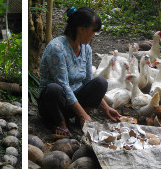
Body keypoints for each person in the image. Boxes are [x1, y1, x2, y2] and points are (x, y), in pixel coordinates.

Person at [37, 7, 121, 138]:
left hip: (73, 101)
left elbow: (88, 81)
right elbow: (64, 86)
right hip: (54, 104)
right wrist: (84, 114)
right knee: (54, 89)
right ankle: (60, 122)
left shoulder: (86, 48)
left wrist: (106, 108)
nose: (94, 35)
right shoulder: (57, 48)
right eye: (93, 31)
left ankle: (80, 119)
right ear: (81, 29)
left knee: (100, 82)